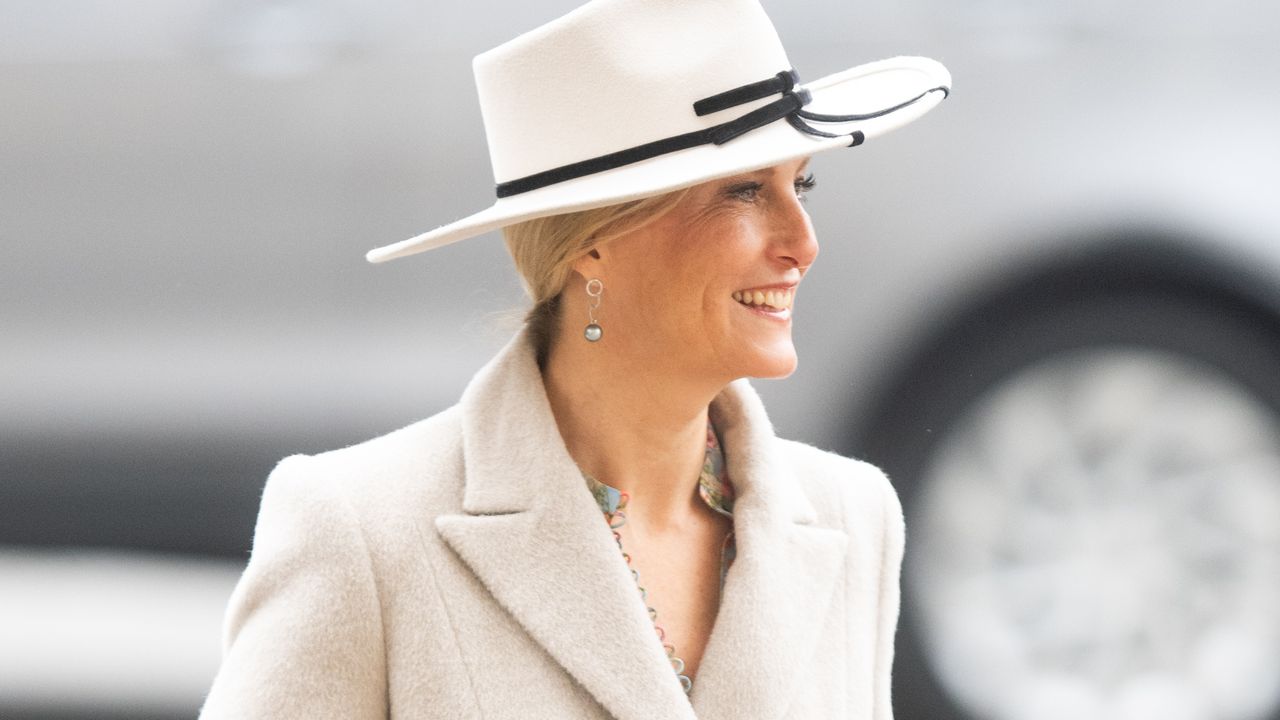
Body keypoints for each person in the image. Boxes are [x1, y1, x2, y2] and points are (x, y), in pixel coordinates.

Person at [200, 0, 949, 717]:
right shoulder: (362, 529)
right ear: (593, 238)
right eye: (745, 191)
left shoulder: (855, 516)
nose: (802, 244)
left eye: (802, 185)